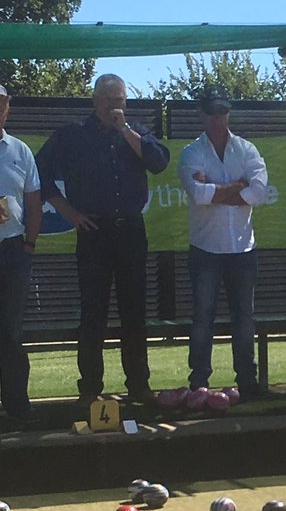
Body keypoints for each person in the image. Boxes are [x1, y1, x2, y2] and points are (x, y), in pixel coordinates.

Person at [35, 73, 169, 405]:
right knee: (93, 313)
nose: (115, 107)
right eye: (109, 101)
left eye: (120, 100)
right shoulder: (72, 135)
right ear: (95, 101)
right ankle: (90, 389)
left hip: (131, 231)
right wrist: (68, 212)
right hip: (94, 232)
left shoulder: (135, 131)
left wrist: (125, 129)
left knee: (134, 312)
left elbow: (159, 162)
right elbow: (38, 172)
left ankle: (139, 385)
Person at [178, 87, 269, 397]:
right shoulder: (192, 152)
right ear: (202, 115)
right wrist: (238, 187)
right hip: (205, 249)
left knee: (244, 319)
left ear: (229, 113)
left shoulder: (247, 149)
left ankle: (247, 381)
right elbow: (199, 196)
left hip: (243, 250)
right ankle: (199, 382)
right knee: (203, 317)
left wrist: (217, 190)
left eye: (223, 112)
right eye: (212, 112)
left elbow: (258, 193)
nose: (218, 118)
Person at [0, 84, 42, 431]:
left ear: (7, 110)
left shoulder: (20, 150)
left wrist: (29, 244)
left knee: (11, 332)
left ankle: (16, 406)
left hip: (13, 249)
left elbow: (33, 200)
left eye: (0, 105)